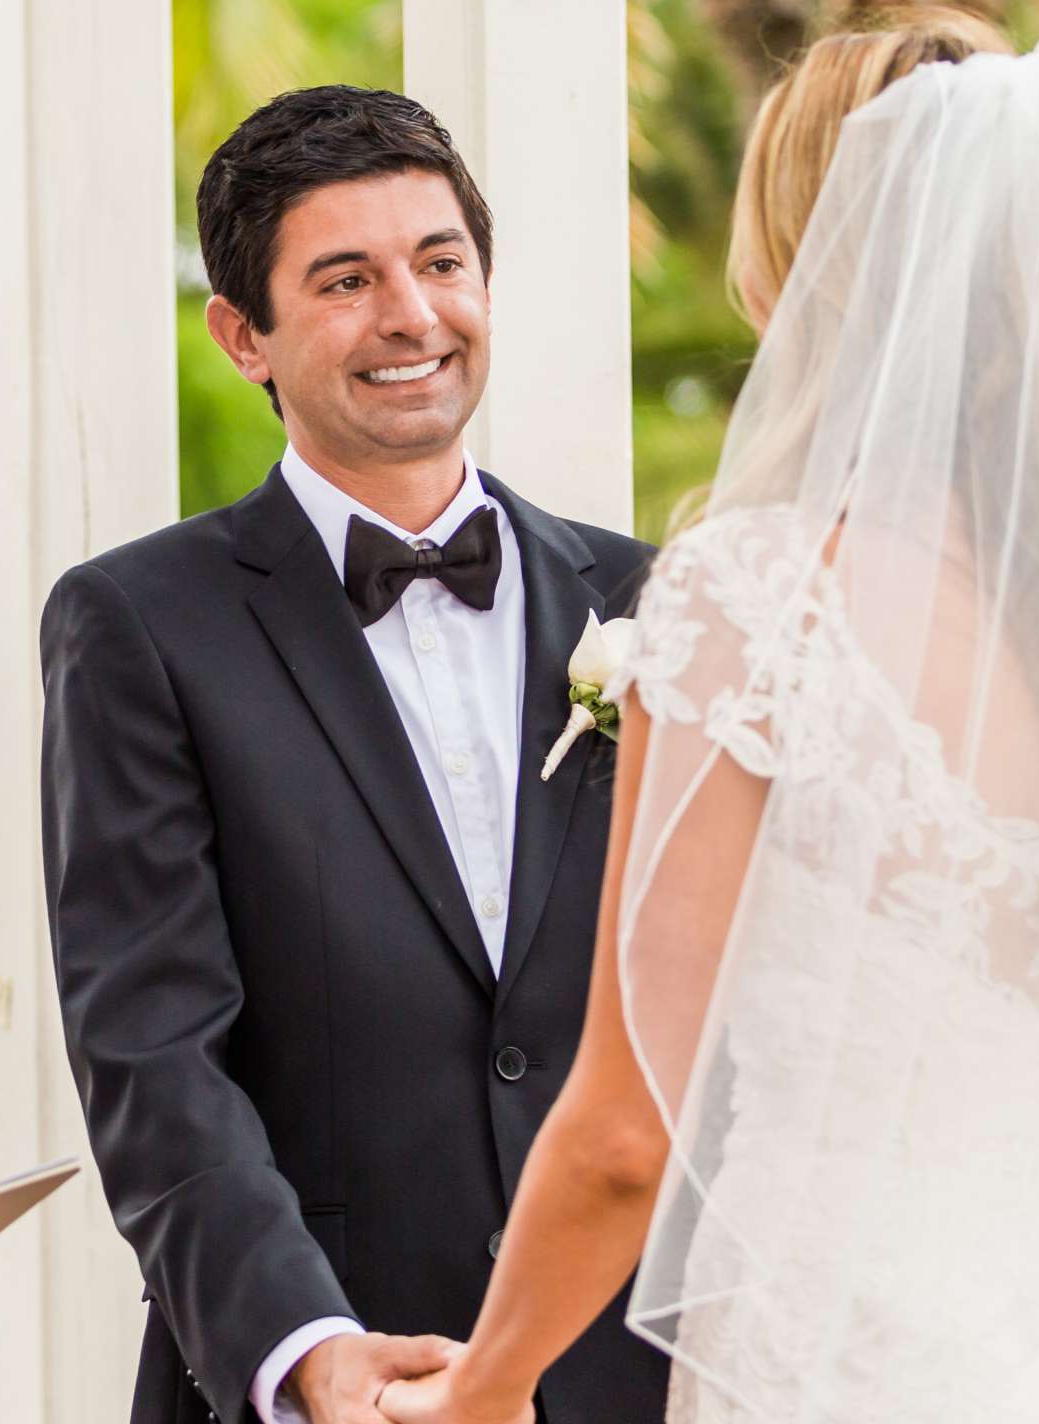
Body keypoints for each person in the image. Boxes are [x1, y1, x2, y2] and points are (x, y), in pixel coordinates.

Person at [382, 12, 1039, 1424]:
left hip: (847, 1363)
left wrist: (487, 1390)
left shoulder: (756, 598)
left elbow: (632, 1130)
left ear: (816, 263)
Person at [39, 86, 670, 1423]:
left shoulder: (656, 605)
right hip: (330, 1379)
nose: (411, 314)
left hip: (637, 1373)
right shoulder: (140, 628)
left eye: (441, 263)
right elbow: (153, 1061)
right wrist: (308, 1350)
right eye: (345, 279)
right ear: (242, 337)